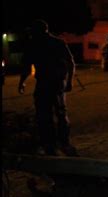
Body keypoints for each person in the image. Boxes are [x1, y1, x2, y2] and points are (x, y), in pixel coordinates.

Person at [18, 19, 77, 156]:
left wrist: (22, 82)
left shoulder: (36, 44)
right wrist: (69, 82)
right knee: (57, 113)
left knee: (49, 113)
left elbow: (26, 66)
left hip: (49, 82)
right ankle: (59, 142)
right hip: (53, 82)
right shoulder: (56, 43)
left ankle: (54, 142)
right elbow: (70, 62)